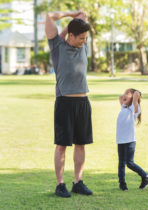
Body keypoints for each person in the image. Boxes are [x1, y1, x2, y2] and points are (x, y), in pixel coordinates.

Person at [45, 11, 93, 198]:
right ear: (70, 36)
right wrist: (70, 14)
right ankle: (60, 184)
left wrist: (78, 18)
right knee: (62, 145)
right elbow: (49, 17)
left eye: (85, 38)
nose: (83, 41)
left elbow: (84, 16)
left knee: (81, 145)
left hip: (83, 102)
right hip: (64, 101)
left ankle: (77, 182)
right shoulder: (57, 46)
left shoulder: (82, 45)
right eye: (80, 38)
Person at [116, 89, 148, 191]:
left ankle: (145, 176)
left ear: (133, 98)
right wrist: (126, 95)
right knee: (121, 163)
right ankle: (122, 184)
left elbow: (136, 94)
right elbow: (120, 97)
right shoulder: (124, 107)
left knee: (129, 163)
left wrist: (135, 96)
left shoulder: (134, 108)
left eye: (127, 94)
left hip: (129, 140)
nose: (124, 95)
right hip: (120, 140)